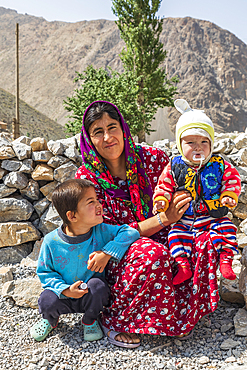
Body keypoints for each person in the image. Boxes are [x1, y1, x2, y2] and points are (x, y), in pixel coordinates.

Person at [75, 100, 221, 348]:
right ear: (89, 139)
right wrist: (164, 218)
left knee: (204, 241)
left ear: (124, 129)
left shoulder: (153, 159)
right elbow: (108, 235)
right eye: (98, 132)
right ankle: (117, 319)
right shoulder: (88, 181)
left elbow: (184, 190)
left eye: (113, 127)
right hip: (116, 252)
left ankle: (178, 317)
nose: (108, 137)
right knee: (152, 253)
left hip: (169, 235)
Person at [30, 178, 140, 343]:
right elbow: (45, 272)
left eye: (97, 200)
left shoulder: (101, 231)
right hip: (63, 295)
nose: (99, 205)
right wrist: (65, 290)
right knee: (46, 299)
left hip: (89, 295)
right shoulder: (51, 242)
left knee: (99, 287)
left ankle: (90, 320)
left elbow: (131, 232)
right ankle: (50, 319)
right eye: (91, 202)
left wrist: (107, 252)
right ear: (72, 215)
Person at [153, 99, 241, 285]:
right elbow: (164, 185)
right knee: (174, 235)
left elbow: (232, 180)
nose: (198, 147)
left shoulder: (219, 164)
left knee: (227, 229)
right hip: (186, 218)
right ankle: (183, 266)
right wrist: (161, 200)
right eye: (191, 142)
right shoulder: (174, 166)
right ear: (179, 143)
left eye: (203, 141)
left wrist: (228, 196)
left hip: (213, 216)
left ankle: (226, 260)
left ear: (211, 143)